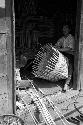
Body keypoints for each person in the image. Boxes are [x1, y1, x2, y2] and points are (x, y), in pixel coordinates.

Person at [55, 24, 75, 91]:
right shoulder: (62, 38)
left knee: (70, 66)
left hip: (70, 54)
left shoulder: (71, 38)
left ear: (69, 30)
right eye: (63, 28)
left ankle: (66, 83)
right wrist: (56, 47)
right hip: (64, 54)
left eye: (66, 28)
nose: (64, 30)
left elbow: (69, 49)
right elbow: (57, 45)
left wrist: (59, 49)